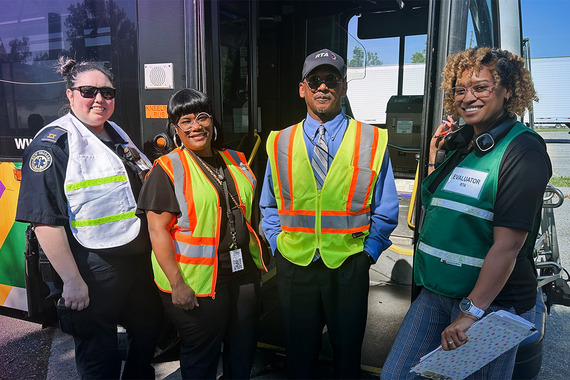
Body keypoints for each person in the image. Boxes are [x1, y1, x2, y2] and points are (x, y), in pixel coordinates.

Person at [381, 47, 552, 379]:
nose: (467, 97)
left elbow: (508, 246)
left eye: (481, 87)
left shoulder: (523, 150)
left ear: (508, 91)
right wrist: (435, 156)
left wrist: (471, 312)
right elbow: (438, 206)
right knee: (397, 374)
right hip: (439, 291)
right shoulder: (465, 144)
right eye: (460, 89)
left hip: (490, 303)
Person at [16, 57, 163, 379]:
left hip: (135, 263)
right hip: (92, 265)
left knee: (148, 334)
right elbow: (45, 221)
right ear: (70, 95)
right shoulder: (53, 145)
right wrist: (72, 281)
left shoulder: (115, 132)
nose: (99, 99)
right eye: (88, 91)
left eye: (107, 93)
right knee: (99, 356)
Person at [260, 48, 399, 379]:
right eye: (315, 80)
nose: (323, 87)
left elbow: (386, 206)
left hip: (349, 264)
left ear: (344, 88)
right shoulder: (280, 141)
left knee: (348, 353)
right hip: (295, 264)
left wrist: (369, 252)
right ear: (302, 88)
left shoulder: (371, 139)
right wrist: (278, 243)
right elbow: (269, 204)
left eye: (331, 80)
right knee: (299, 354)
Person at [137, 88, 267, 379]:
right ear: (175, 129)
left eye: (202, 117)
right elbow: (157, 231)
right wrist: (177, 284)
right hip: (197, 281)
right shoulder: (168, 169)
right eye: (185, 121)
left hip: (242, 270)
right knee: (202, 354)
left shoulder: (235, 159)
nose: (196, 126)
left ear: (212, 121)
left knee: (243, 345)